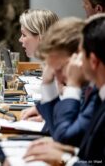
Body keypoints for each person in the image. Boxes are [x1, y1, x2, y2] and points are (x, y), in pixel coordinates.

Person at [24, 15, 105, 165]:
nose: (58, 77)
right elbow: (72, 142)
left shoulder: (95, 93)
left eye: (59, 69)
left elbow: (66, 138)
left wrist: (66, 159)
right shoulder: (97, 92)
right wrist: (47, 85)